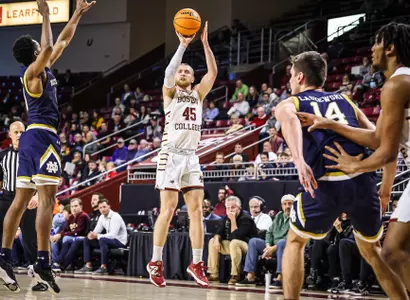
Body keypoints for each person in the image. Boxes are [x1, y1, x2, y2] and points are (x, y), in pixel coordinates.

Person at [275, 50, 407, 299]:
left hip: (326, 184)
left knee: (294, 242)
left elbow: (287, 118)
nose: (290, 81)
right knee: (372, 250)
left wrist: (298, 159)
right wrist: (385, 189)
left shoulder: (291, 102)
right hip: (362, 182)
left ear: (300, 76)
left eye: (291, 76)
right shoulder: (346, 101)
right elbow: (384, 141)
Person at [0, 0, 95, 294]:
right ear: (34, 52)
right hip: (43, 136)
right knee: (45, 200)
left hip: (32, 138)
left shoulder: (44, 69)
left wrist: (77, 13)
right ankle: (42, 261)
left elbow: (62, 40)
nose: (44, 46)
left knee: (22, 199)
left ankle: (4, 258)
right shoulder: (31, 73)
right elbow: (51, 45)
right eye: (38, 46)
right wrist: (44, 16)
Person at [146, 22, 217, 289]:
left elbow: (213, 72)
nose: (184, 72)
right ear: (177, 76)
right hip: (171, 155)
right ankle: (155, 261)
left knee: (197, 211)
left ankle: (196, 263)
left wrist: (206, 45)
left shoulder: (198, 94)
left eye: (188, 70)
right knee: (169, 210)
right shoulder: (170, 94)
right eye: (181, 70)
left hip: (191, 156)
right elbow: (168, 72)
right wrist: (183, 46)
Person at [76, 199, 127, 275]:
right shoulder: (101, 217)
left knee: (103, 240)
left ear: (109, 206)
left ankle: (104, 267)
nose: (102, 209)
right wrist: (92, 234)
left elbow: (113, 235)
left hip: (119, 241)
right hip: (109, 240)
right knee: (87, 240)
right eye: (100, 208)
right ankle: (88, 265)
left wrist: (97, 236)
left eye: (104, 207)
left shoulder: (116, 216)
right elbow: (97, 230)